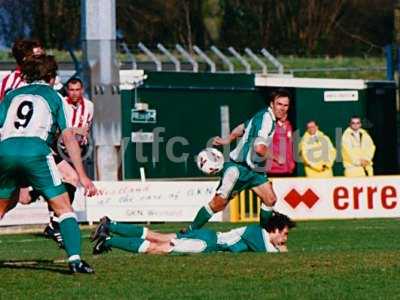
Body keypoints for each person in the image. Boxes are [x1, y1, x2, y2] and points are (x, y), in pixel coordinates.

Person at [0, 55, 97, 274]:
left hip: (5, 150)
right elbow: (68, 138)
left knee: (5, 203)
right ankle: (75, 259)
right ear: (51, 76)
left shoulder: (11, 95)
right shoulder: (54, 98)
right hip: (36, 150)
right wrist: (82, 175)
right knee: (63, 207)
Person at [186, 89, 291, 230]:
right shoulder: (266, 120)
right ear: (271, 104)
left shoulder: (262, 116)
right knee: (218, 204)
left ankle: (263, 235)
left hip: (254, 171)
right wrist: (277, 157)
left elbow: (242, 128)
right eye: (279, 104)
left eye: (285, 105)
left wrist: (227, 140)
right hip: (238, 168)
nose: (282, 108)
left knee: (270, 199)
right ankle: (189, 231)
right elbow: (259, 148)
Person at [91, 212, 295, 255]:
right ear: (274, 230)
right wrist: (283, 248)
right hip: (205, 244)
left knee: (157, 236)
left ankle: (110, 226)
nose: (284, 239)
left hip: (207, 238)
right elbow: (275, 254)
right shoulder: (257, 234)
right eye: (284, 234)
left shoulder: (257, 233)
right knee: (157, 248)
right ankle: (108, 240)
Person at [43, 77, 94, 247]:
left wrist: (82, 137)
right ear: (67, 91)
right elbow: (56, 129)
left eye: (77, 89)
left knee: (71, 181)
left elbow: (85, 129)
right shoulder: (60, 103)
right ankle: (56, 221)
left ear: (82, 90)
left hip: (75, 152)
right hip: (56, 150)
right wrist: (74, 131)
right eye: (71, 90)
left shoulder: (89, 106)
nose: (74, 93)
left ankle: (55, 222)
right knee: (70, 179)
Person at [265, 112, 295, 177]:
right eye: (282, 113)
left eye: (285, 114)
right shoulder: (272, 126)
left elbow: (289, 146)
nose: (284, 115)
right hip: (274, 165)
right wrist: (276, 158)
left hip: (286, 166)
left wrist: (291, 163)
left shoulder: (288, 126)